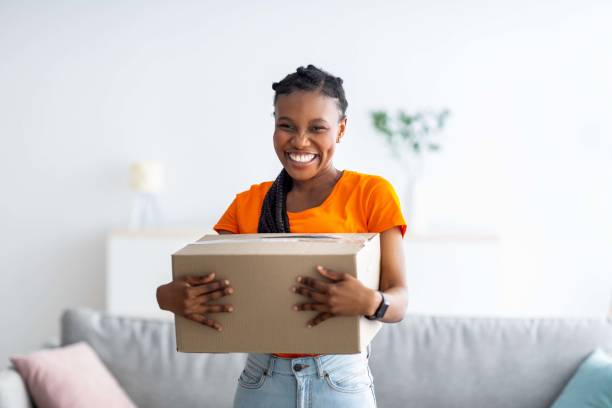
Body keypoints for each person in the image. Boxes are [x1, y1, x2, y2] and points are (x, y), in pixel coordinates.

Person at [156, 64, 408, 408]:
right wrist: (168, 297)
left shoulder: (371, 194)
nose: (300, 141)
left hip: (340, 379)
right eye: (285, 126)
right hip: (262, 379)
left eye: (317, 128)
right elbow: (200, 278)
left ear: (341, 129)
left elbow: (400, 300)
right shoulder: (249, 204)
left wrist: (370, 302)